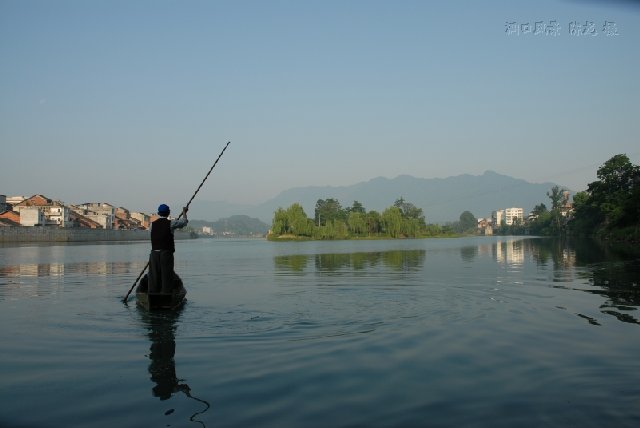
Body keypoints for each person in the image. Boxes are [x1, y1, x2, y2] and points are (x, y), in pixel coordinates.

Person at [148, 204, 188, 294]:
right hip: (166, 254)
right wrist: (185, 212)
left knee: (153, 275)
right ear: (168, 212)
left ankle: (152, 293)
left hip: (154, 254)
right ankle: (165, 294)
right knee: (167, 274)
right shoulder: (171, 223)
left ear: (158, 213)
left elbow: (153, 237)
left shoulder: (152, 225)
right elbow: (184, 222)